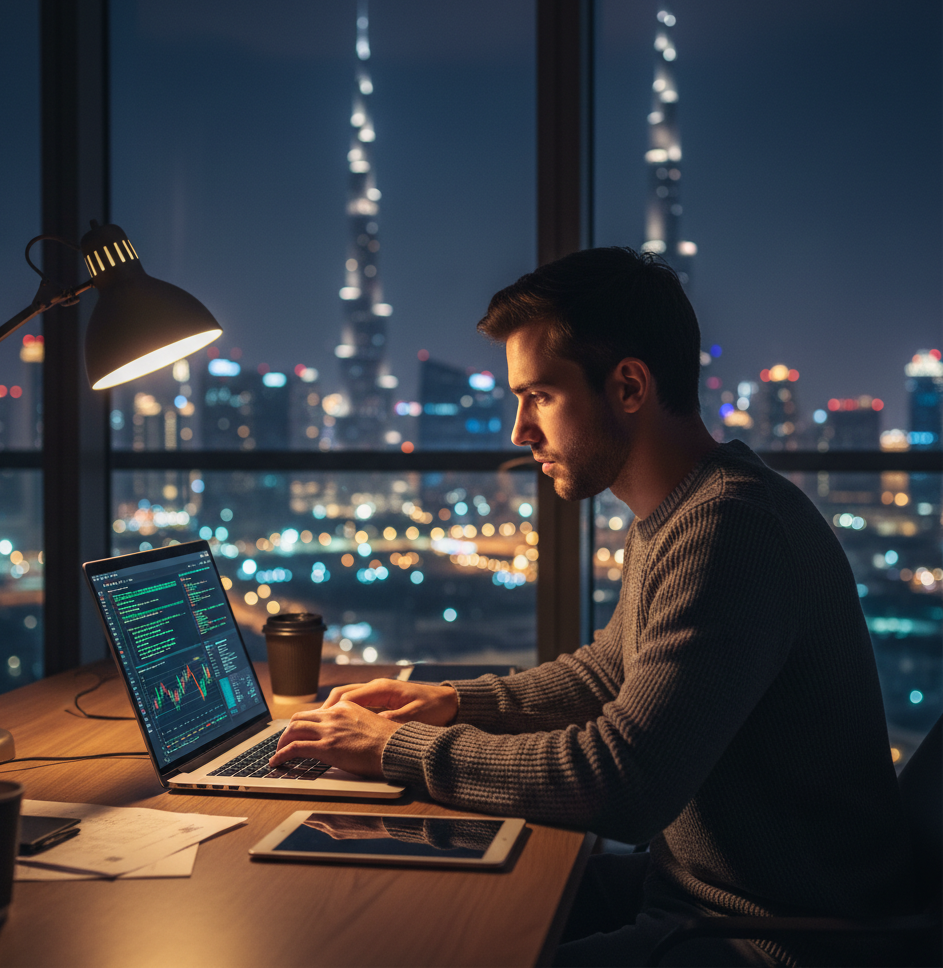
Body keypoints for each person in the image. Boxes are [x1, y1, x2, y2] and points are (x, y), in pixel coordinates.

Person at [271, 247, 913, 966]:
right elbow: (610, 672)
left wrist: (396, 749)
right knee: (406, 920)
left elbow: (622, 783)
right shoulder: (676, 512)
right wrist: (451, 702)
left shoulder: (732, 529)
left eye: (540, 396)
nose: (520, 430)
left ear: (629, 386)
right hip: (692, 894)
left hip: (777, 936)